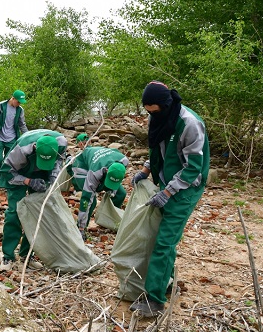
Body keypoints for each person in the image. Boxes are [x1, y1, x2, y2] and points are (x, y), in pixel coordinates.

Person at [130, 81, 209, 317]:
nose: (152, 116)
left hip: (186, 188)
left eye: (155, 111)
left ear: (166, 104)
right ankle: (168, 280)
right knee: (160, 237)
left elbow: (193, 167)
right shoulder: (159, 117)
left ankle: (154, 301)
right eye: (148, 112)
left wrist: (167, 192)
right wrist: (145, 169)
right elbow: (158, 148)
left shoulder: (190, 124)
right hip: (167, 182)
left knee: (164, 242)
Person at [0, 129, 68, 270]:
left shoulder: (61, 143)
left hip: (43, 172)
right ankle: (7, 256)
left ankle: (27, 256)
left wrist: (52, 179)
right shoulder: (21, 150)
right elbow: (7, 172)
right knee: (14, 213)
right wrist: (28, 181)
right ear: (35, 148)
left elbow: (59, 161)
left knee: (38, 213)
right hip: (19, 171)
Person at [67, 147, 129, 236]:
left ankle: (108, 220)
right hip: (82, 165)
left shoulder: (124, 161)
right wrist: (81, 227)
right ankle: (81, 227)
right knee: (91, 202)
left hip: (102, 164)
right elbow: (86, 198)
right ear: (107, 171)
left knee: (120, 194)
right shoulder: (95, 171)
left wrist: (113, 190)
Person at [0, 90, 28, 181]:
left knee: (8, 161)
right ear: (13, 98)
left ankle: (5, 179)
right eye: (18, 102)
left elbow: (22, 125)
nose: (19, 104)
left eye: (21, 103)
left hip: (12, 138)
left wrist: (27, 136)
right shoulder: (0, 106)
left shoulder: (20, 110)